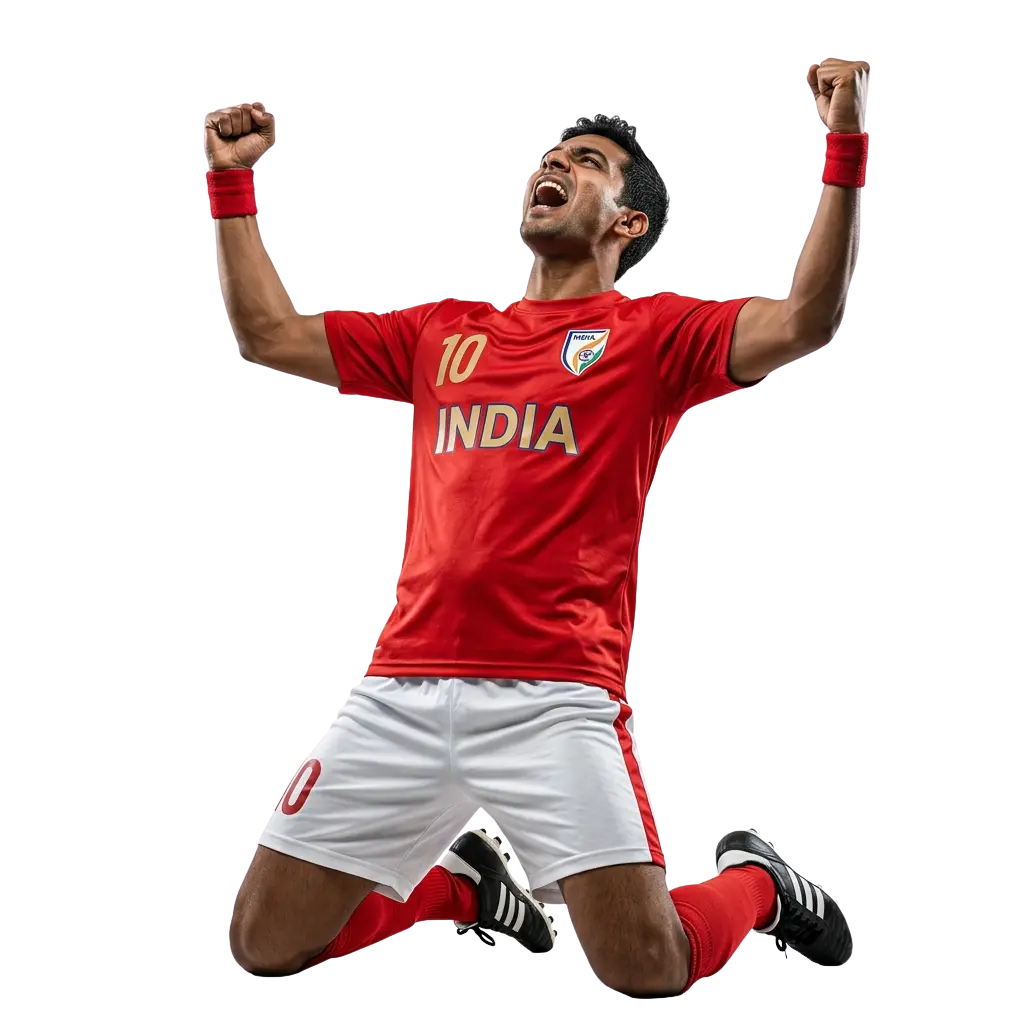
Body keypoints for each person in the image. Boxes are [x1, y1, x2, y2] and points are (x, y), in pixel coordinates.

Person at [214, 62, 867, 997]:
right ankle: (464, 890)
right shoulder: (442, 334)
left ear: (626, 222)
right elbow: (269, 334)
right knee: (264, 941)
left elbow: (806, 320)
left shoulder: (653, 337)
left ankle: (756, 883)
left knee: (644, 967)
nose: (555, 165)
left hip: (554, 695)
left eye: (587, 161)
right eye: (551, 156)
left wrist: (845, 146)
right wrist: (231, 182)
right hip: (400, 689)